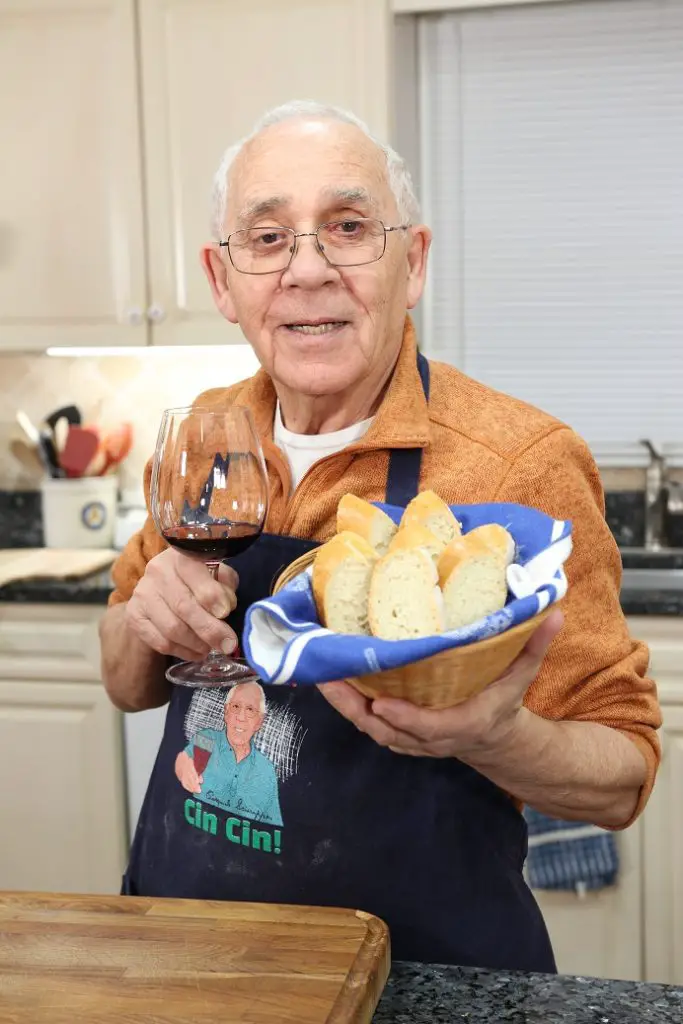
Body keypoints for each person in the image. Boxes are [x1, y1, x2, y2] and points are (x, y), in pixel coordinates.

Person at [100, 100, 661, 971]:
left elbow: (623, 773)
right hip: (196, 957)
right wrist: (145, 613)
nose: (307, 270)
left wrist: (488, 734)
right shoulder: (204, 434)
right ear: (222, 280)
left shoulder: (518, 463)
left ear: (415, 261)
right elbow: (122, 679)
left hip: (423, 978)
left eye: (349, 226)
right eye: (268, 237)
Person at [175, 681, 282, 827]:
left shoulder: (266, 769)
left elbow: (273, 825)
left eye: (250, 710)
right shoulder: (207, 739)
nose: (241, 717)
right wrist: (183, 766)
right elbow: (184, 760)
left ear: (259, 722)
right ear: (226, 712)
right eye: (236, 707)